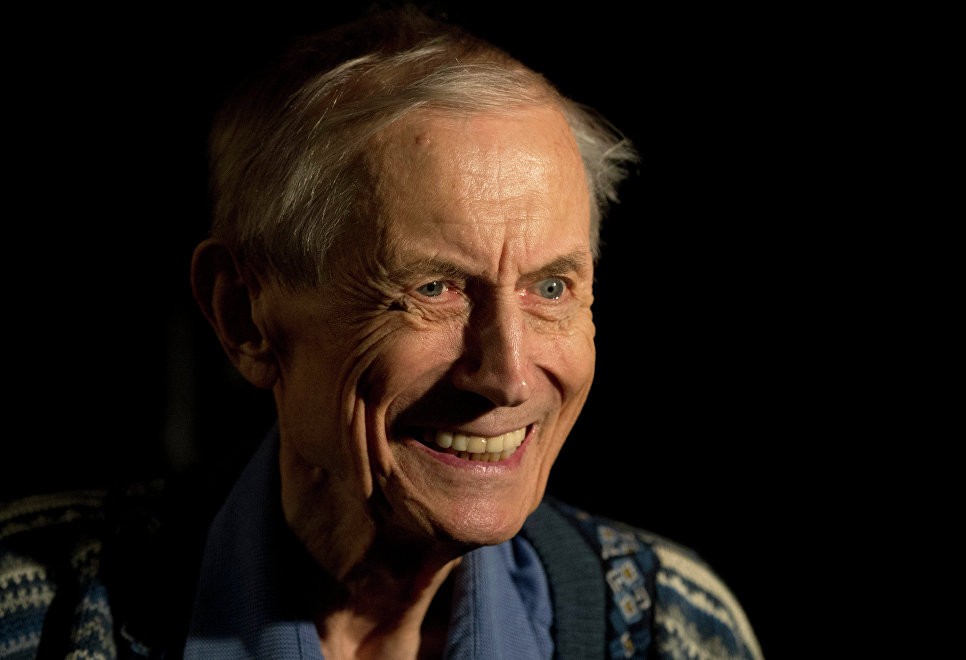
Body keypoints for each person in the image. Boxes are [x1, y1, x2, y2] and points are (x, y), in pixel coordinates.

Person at [0, 5, 763, 659]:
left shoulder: (674, 628)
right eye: (433, 289)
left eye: (551, 288)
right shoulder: (28, 614)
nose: (507, 375)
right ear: (243, 315)